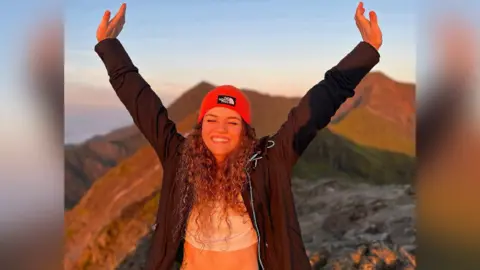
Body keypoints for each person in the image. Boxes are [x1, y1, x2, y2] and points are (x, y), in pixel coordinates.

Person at [94, 2, 382, 270]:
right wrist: (109, 46)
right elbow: (141, 102)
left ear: (245, 130)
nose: (220, 129)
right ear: (200, 124)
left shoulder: (269, 162)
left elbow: (318, 104)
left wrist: (367, 49)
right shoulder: (179, 157)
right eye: (212, 119)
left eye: (232, 121)